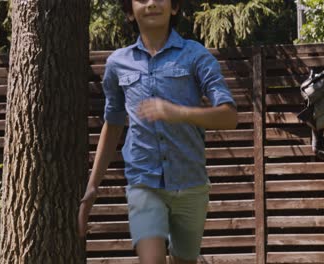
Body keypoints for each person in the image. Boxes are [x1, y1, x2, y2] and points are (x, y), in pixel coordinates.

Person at [79, 0, 237, 263]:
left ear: (174, 7)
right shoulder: (118, 63)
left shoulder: (195, 55)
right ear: (130, 12)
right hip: (143, 182)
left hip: (191, 182)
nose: (151, 3)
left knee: (184, 259)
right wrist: (93, 187)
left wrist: (179, 113)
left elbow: (230, 117)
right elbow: (114, 122)